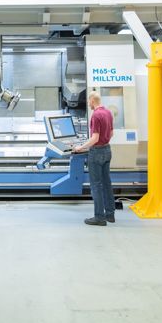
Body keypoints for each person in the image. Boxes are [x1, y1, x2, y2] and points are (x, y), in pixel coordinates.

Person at [73, 91, 114, 226]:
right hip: (107, 150)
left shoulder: (96, 115)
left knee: (96, 185)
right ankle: (110, 214)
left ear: (92, 100)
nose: (88, 103)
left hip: (96, 153)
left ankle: (99, 217)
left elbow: (95, 138)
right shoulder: (108, 112)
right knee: (106, 183)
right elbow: (111, 133)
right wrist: (103, 142)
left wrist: (81, 147)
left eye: (88, 101)